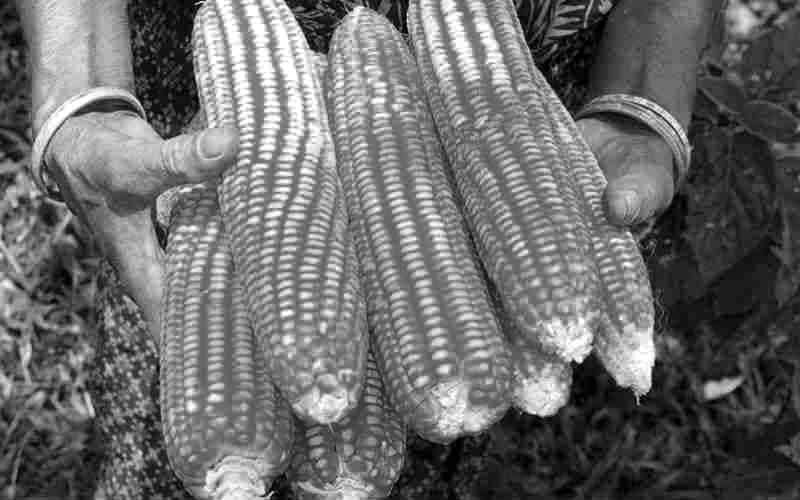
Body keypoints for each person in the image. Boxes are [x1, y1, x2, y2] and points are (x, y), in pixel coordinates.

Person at [15, 0, 719, 498]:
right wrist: (83, 96)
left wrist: (643, 90)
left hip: (509, 60)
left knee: (447, 421)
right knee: (170, 382)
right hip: (208, 94)